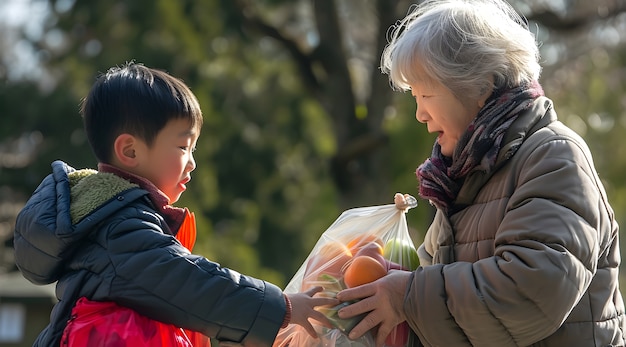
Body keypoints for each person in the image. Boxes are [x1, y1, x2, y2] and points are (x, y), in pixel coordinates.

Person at [335, 0, 625, 346]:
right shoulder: (462, 178)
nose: (419, 114)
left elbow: (532, 293)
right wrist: (384, 286)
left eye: (426, 93)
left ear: (480, 85)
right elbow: (448, 321)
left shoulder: (554, 156)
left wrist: (408, 296)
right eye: (414, 96)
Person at [13, 62, 338, 346]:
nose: (192, 162)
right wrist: (281, 308)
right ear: (130, 151)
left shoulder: (108, 220)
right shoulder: (120, 230)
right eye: (184, 146)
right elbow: (190, 283)